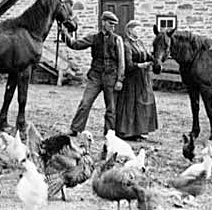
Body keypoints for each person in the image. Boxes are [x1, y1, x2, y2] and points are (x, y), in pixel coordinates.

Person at [61, 11, 125, 139]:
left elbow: (121, 61)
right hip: (95, 77)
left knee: (111, 108)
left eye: (114, 25)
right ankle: (75, 129)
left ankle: (109, 133)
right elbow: (75, 44)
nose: (113, 27)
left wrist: (120, 79)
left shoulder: (118, 39)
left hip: (111, 77)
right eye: (110, 24)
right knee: (85, 103)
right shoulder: (94, 38)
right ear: (103, 23)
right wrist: (64, 33)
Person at [114, 19, 158, 141]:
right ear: (130, 30)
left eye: (140, 29)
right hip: (132, 80)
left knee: (142, 104)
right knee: (131, 105)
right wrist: (141, 65)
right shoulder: (126, 44)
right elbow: (128, 64)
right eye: (137, 29)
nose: (140, 31)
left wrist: (156, 59)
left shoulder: (140, 43)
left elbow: (149, 56)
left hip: (143, 79)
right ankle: (128, 132)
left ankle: (140, 131)